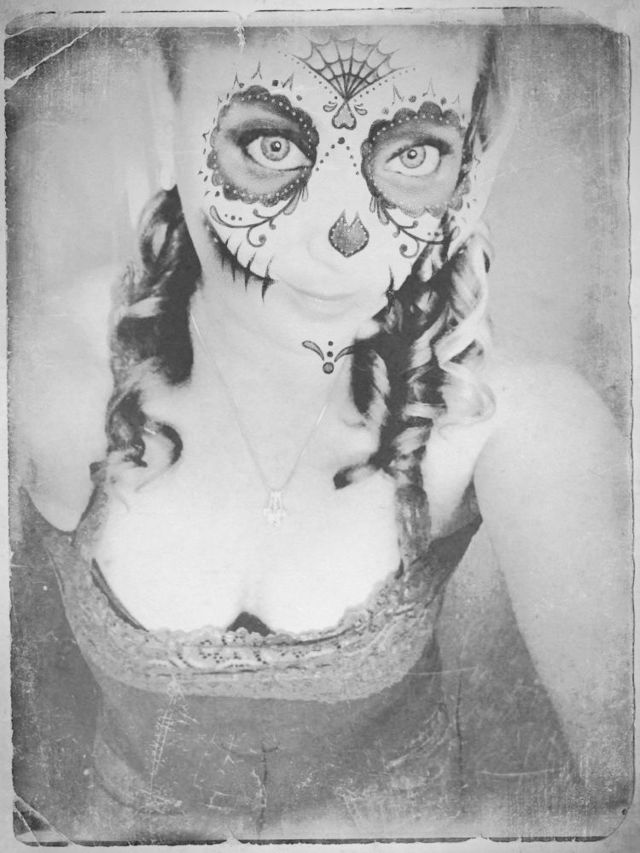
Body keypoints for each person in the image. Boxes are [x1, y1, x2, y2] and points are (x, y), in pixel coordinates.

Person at [11, 22, 632, 843]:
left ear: (474, 164)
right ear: (169, 127)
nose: (343, 239)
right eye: (270, 145)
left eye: (413, 153)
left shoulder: (513, 417)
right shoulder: (43, 372)